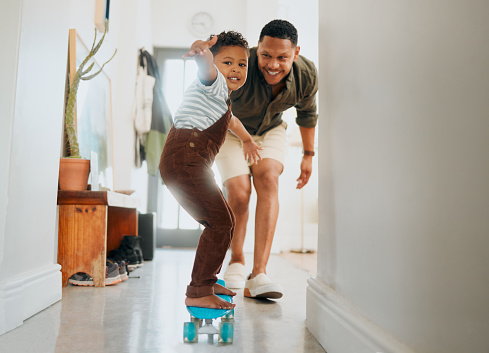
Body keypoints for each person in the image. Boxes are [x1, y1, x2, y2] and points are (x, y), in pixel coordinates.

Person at [159, 31, 262, 309]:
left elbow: (233, 122)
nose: (236, 69)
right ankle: (199, 290)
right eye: (227, 62)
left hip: (189, 162)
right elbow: (205, 65)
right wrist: (201, 50)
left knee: (224, 220)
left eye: (242, 64)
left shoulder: (222, 101)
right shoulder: (211, 82)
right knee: (221, 223)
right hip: (186, 158)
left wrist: (248, 140)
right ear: (215, 66)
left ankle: (206, 279)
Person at [216, 20, 318, 299]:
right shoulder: (239, 64)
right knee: (239, 193)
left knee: (268, 178)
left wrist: (308, 156)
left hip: (270, 130)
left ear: (295, 54)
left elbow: (307, 115)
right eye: (266, 55)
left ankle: (259, 273)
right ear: (256, 49)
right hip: (231, 131)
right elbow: (216, 103)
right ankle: (236, 259)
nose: (273, 64)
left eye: (282, 57)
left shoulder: (307, 74)